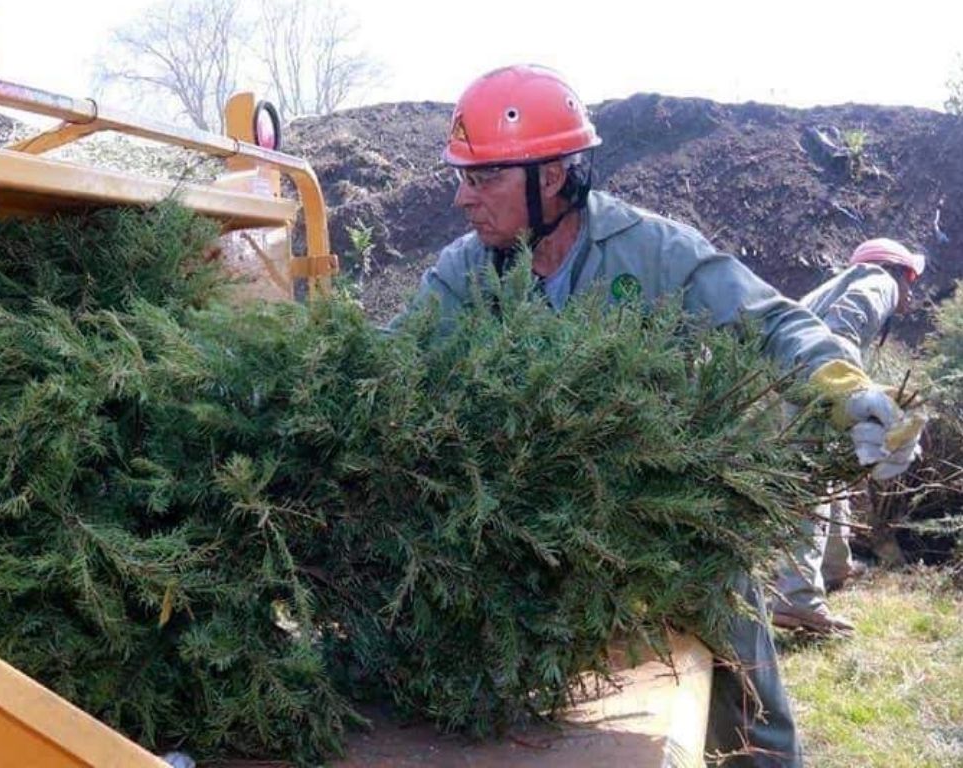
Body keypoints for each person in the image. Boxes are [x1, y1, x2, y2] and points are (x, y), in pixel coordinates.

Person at [391, 65, 926, 768]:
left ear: (550, 176)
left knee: (747, 710)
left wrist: (845, 391)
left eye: (483, 178)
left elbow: (771, 323)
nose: (462, 198)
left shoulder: (654, 251)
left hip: (671, 527)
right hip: (532, 538)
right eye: (462, 177)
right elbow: (391, 361)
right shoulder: (464, 272)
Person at [771, 238, 926, 635]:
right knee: (811, 488)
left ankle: (834, 568)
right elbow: (842, 327)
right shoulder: (879, 280)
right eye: (912, 281)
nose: (912, 292)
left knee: (830, 480)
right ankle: (797, 600)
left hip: (788, 385)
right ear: (901, 272)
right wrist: (852, 393)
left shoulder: (827, 290)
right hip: (813, 387)